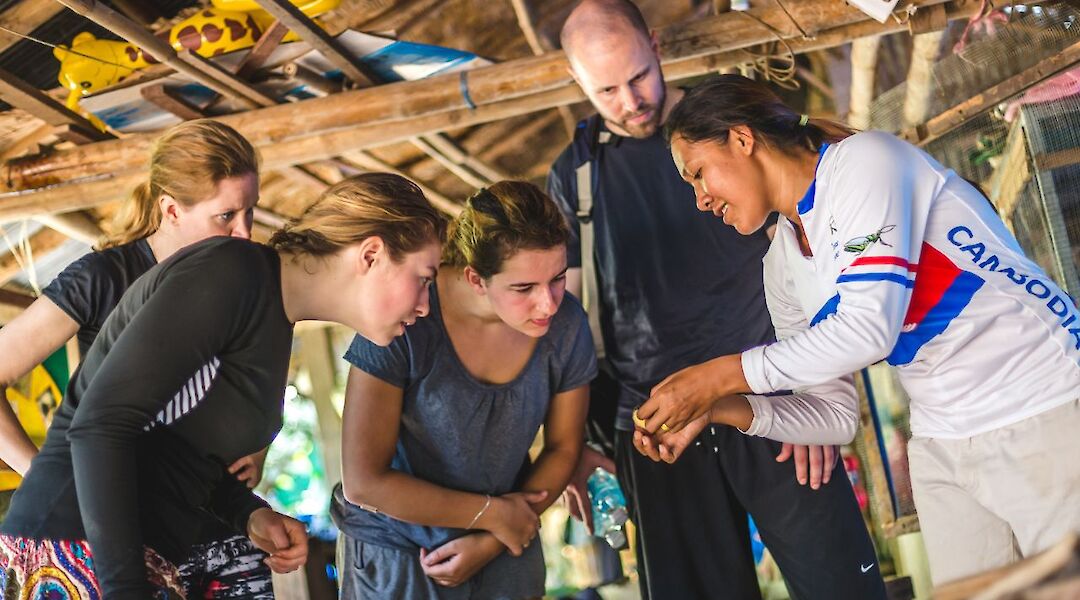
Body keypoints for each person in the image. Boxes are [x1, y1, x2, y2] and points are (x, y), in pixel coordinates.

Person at [650, 73, 1080, 584]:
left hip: (1043, 401)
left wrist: (722, 375)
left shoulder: (864, 163)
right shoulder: (782, 268)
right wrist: (717, 407)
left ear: (742, 140)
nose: (700, 199)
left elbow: (869, 328)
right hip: (943, 439)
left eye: (699, 173)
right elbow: (833, 417)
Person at [548, 1, 885, 598]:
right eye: (606, 90)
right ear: (577, 82)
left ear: (655, 46)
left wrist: (817, 397)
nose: (630, 102)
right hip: (655, 427)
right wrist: (577, 447)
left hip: (773, 402)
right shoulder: (574, 173)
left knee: (842, 587)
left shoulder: (726, 130)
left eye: (637, 77)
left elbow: (808, 257)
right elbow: (564, 321)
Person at [0, 172, 447, 599]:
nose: (426, 304)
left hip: (139, 557)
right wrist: (126, 591)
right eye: (423, 279)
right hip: (70, 551)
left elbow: (175, 453)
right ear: (370, 254)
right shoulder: (231, 272)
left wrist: (247, 512)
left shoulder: (275, 315)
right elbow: (99, 426)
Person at [0, 119, 279, 599]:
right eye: (226, 216)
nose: (245, 233)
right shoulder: (103, 277)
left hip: (214, 528)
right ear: (170, 209)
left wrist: (254, 450)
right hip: (119, 538)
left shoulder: (247, 283)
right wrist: (45, 470)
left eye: (250, 212)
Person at [331, 181, 595, 599]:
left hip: (509, 537)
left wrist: (496, 534)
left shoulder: (567, 326)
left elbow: (563, 447)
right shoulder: (409, 317)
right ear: (476, 278)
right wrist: (491, 515)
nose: (548, 304)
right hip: (400, 551)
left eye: (558, 278)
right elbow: (363, 481)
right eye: (524, 288)